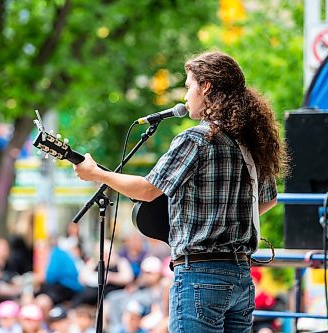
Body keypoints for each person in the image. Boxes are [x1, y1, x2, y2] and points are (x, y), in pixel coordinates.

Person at [73, 51, 288, 332]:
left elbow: (148, 190)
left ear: (206, 87)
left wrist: (97, 174)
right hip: (241, 277)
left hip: (200, 275)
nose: (186, 95)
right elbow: (269, 199)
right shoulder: (249, 142)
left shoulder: (196, 139)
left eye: (189, 86)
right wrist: (223, 219)